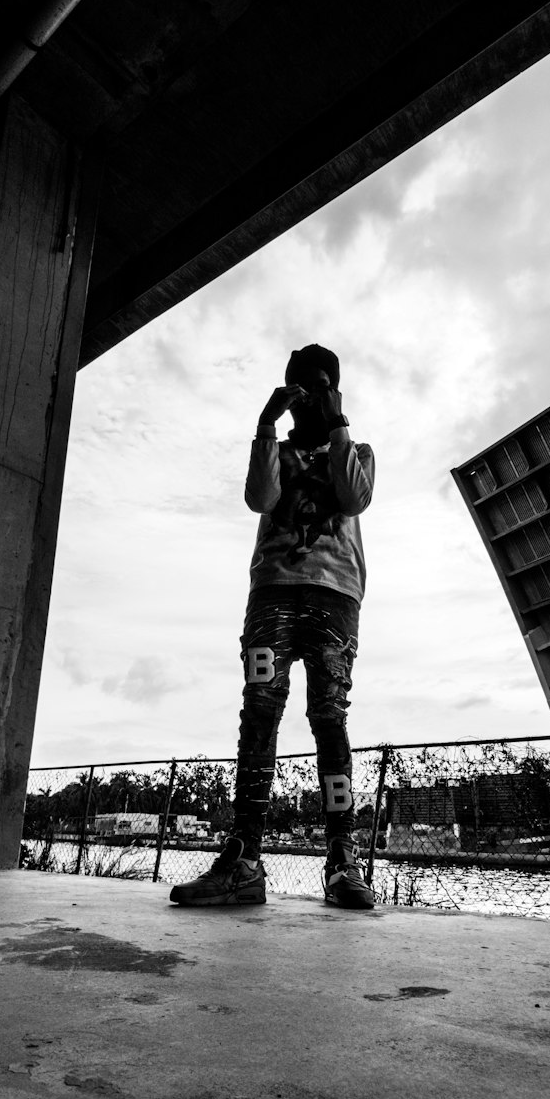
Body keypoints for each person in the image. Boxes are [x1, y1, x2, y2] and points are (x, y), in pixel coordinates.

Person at [170, 344, 376, 909]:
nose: (311, 395)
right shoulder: (277, 451)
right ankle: (245, 860)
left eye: (322, 384)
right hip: (273, 591)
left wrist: (336, 421)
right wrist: (265, 424)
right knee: (260, 710)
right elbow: (258, 497)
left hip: (335, 596)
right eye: (301, 387)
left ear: (336, 389)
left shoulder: (356, 450)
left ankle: (342, 860)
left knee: (328, 717)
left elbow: (354, 498)